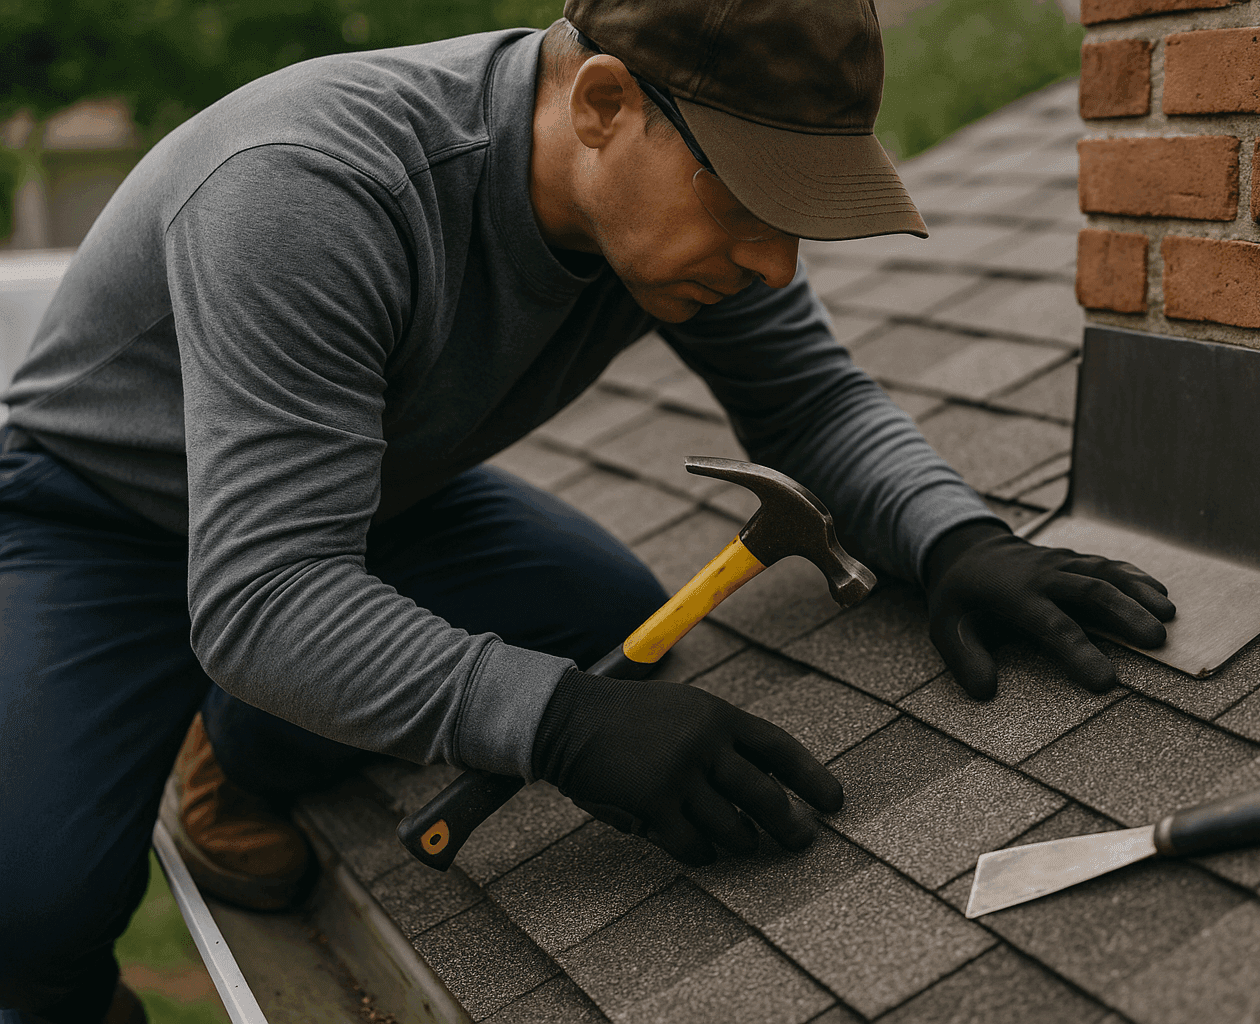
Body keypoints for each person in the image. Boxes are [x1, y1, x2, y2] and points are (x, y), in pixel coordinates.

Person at [0, 1, 1175, 1021]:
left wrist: (958, 538)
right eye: (754, 202)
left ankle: (236, 754)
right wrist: (557, 725)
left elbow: (809, 400)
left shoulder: (662, 210)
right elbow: (261, 600)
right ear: (605, 104)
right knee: (35, 907)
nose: (773, 264)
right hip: (95, 516)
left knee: (611, 617)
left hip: (364, 494)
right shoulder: (305, 189)